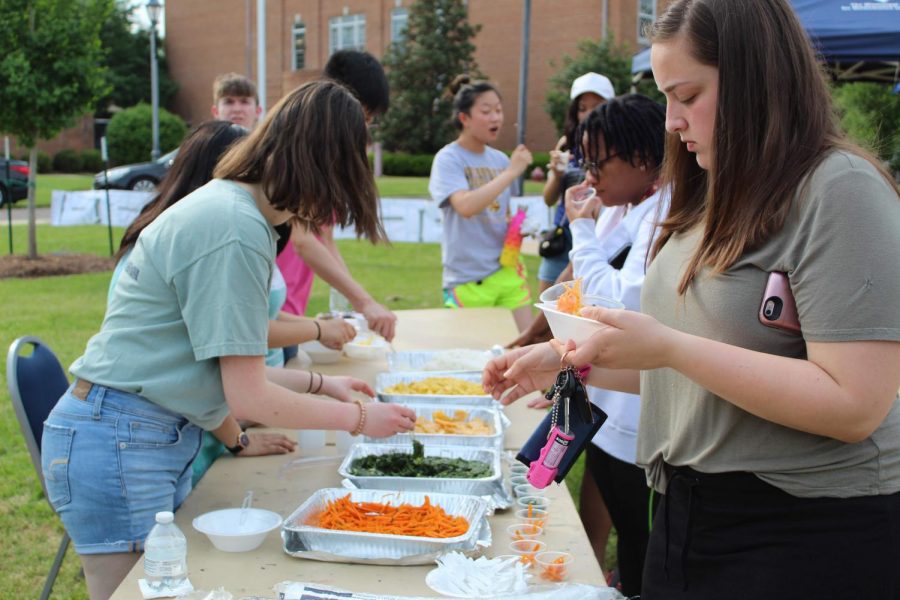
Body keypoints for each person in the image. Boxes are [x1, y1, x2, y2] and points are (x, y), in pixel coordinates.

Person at [484, 1, 900, 598]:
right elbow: (699, 374)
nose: (672, 121)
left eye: (688, 95)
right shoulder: (708, 194)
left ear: (758, 82)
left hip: (802, 530)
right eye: (666, 98)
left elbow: (854, 403)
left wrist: (671, 350)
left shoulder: (841, 192)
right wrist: (570, 361)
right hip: (687, 517)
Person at [42, 81, 417, 600]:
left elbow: (222, 366)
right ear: (325, 163)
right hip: (121, 438)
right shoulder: (236, 226)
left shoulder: (243, 216)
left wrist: (319, 385)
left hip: (140, 434)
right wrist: (357, 420)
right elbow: (250, 397)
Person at [562, 94, 667, 596]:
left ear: (643, 158)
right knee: (628, 536)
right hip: (606, 406)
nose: (590, 175)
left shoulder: (663, 214)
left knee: (642, 543)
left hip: (635, 415)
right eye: (584, 161)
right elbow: (582, 284)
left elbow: (617, 301)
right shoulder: (626, 206)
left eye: (598, 162)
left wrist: (580, 228)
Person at [275, 50, 397, 348]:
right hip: (273, 308)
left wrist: (356, 303)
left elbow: (324, 239)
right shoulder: (298, 156)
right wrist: (362, 301)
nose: (364, 129)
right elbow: (303, 241)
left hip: (293, 307)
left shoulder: (328, 165)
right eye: (364, 117)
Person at [428, 75, 534, 332]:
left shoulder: (499, 159)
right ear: (464, 118)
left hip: (506, 271)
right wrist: (511, 173)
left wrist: (516, 227)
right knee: (473, 361)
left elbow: (500, 214)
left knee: (525, 349)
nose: (496, 117)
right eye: (486, 111)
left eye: (498, 110)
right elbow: (465, 207)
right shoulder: (448, 159)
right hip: (467, 279)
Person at [536, 73, 614, 295]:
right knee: (548, 309)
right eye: (582, 107)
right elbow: (548, 199)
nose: (589, 113)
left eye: (597, 106)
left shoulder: (618, 147)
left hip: (599, 237)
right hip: (563, 237)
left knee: (585, 313)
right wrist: (557, 174)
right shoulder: (566, 143)